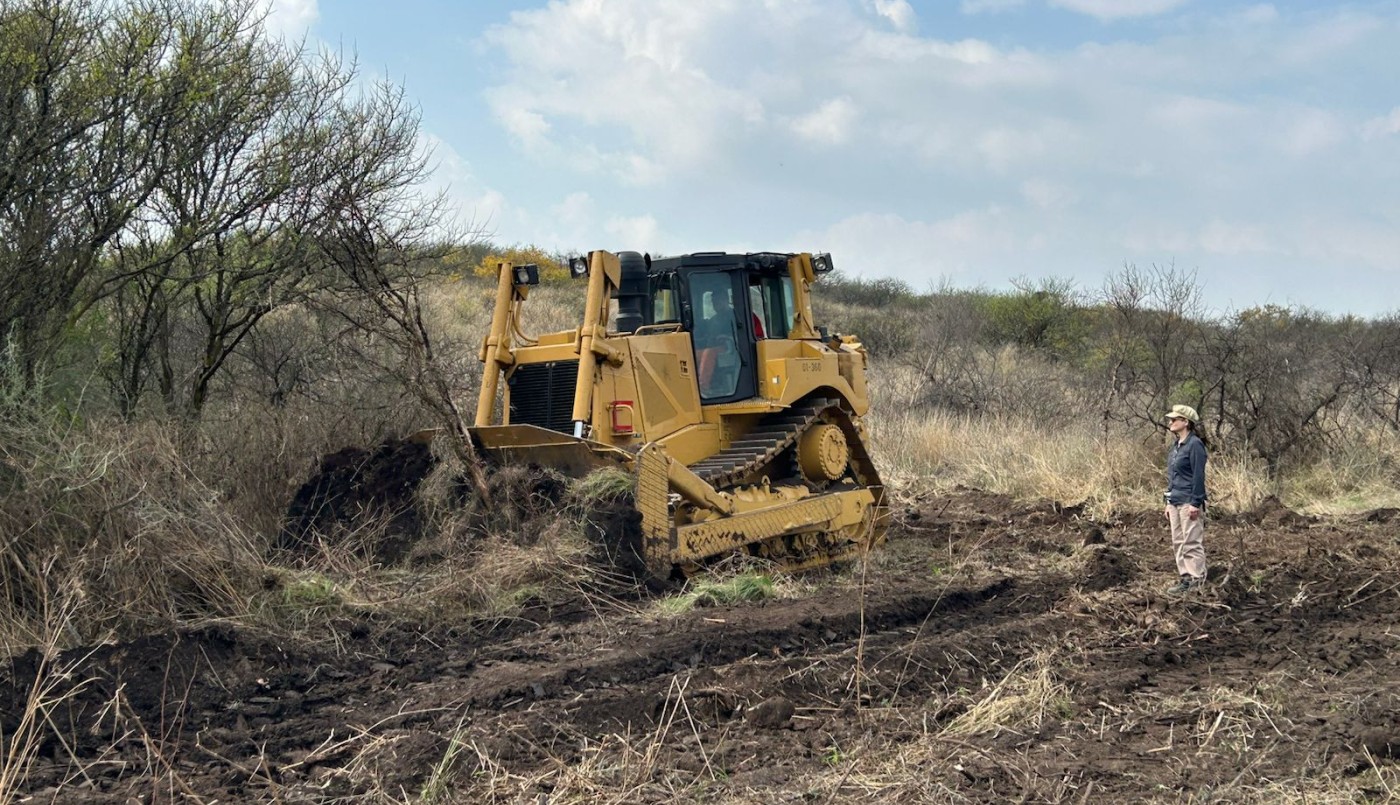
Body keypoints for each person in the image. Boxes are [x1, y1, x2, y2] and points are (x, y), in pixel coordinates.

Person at [1163, 404, 1208, 594]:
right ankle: (1185, 578)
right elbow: (1173, 476)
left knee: (1191, 541)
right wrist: (1167, 501)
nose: (1171, 422)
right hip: (1174, 500)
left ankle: (1197, 579)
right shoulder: (1176, 446)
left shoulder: (1195, 444)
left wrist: (1195, 502)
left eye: (1175, 419)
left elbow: (1198, 475)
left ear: (1186, 422)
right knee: (1178, 541)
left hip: (1189, 501)